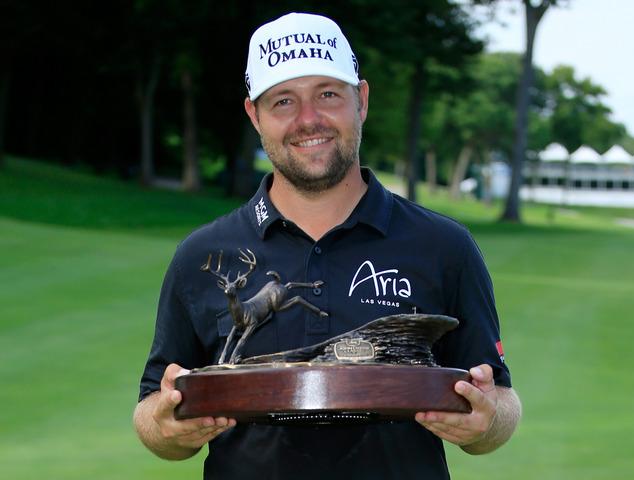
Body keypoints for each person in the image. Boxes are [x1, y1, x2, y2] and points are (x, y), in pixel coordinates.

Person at [134, 12, 521, 479]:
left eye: (327, 94)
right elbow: (154, 408)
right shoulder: (200, 254)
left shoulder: (445, 245)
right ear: (255, 116)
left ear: (361, 100)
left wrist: (486, 421)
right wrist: (166, 428)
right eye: (283, 101)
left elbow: (499, 398)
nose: (308, 119)